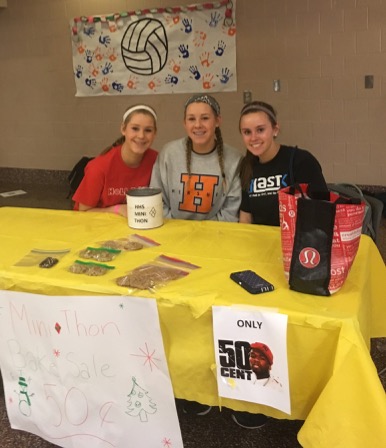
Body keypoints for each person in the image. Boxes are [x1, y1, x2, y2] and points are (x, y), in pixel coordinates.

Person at [150, 94, 242, 221]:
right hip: (173, 234)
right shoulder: (168, 153)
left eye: (205, 118)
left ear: (217, 121)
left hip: (215, 236)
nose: (198, 125)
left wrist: (201, 234)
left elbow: (230, 211)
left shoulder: (234, 159)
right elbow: (156, 200)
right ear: (184, 123)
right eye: (191, 119)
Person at [238, 100, 328, 226]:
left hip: (299, 242)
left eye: (260, 130)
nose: (253, 138)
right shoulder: (247, 167)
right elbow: (245, 217)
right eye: (247, 132)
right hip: (261, 243)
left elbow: (324, 210)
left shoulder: (301, 161)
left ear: (275, 130)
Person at [72, 105, 158, 217]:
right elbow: (82, 212)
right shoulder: (99, 167)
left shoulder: (158, 161)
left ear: (154, 134)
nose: (141, 136)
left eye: (148, 130)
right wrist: (117, 209)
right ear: (123, 129)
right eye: (135, 128)